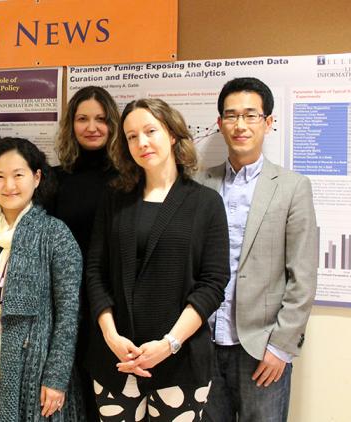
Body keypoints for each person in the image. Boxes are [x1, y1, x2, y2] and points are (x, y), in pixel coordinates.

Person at [86, 98, 230, 421]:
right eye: (132, 136)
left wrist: (170, 343)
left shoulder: (206, 203)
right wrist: (111, 336)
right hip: (116, 360)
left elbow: (214, 283)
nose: (142, 142)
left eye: (151, 131)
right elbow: (95, 271)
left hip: (180, 362)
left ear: (173, 134)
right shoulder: (114, 198)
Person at [197, 77, 317, 422]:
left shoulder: (293, 187)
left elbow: (303, 277)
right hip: (204, 343)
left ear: (268, 122)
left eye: (251, 116)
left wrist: (281, 347)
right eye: (231, 116)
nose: (240, 125)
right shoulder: (201, 184)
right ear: (219, 124)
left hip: (262, 348)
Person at [0, 137, 83, 421]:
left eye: (18, 175)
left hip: (36, 375)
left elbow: (69, 316)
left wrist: (57, 377)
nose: (9, 186)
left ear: (36, 178)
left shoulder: (55, 235)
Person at [48, 85, 120, 420]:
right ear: (70, 125)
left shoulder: (129, 179)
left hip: (113, 307)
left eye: (101, 119)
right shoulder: (53, 180)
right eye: (82, 119)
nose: (92, 127)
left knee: (108, 402)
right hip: (65, 306)